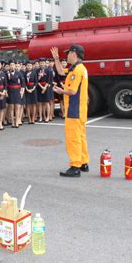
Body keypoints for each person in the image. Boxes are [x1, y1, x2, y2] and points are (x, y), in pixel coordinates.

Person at [52, 45, 89, 178]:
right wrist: (56, 59)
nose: (66, 56)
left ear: (74, 54)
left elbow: (72, 91)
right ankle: (83, 162)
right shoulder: (78, 68)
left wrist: (61, 91)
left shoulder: (77, 70)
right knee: (80, 137)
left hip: (74, 109)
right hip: (80, 109)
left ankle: (75, 166)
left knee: (73, 138)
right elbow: (61, 72)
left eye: (68, 53)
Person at [6, 60, 24, 128]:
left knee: (17, 107)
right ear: (9, 66)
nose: (12, 66)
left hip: (17, 91)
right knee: (11, 107)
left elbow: (22, 83)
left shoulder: (19, 73)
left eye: (13, 65)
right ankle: (12, 122)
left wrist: (22, 92)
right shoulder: (7, 74)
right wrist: (6, 92)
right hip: (10, 91)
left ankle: (17, 121)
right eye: (11, 65)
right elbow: (6, 84)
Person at [37, 58, 51, 123]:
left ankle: (48, 117)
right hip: (40, 87)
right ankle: (41, 117)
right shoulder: (37, 71)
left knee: (47, 103)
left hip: (46, 87)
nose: (42, 64)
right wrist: (41, 87)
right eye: (41, 63)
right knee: (40, 103)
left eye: (43, 63)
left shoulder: (48, 70)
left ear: (45, 63)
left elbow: (49, 80)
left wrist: (44, 88)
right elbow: (37, 81)